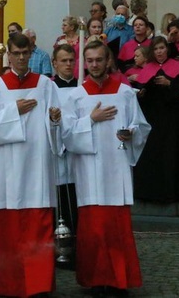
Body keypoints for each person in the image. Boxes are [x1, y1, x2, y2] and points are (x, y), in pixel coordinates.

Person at [0, 33, 61, 297]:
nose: (21, 58)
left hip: (38, 167)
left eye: (26, 53)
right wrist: (14, 112)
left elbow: (58, 124)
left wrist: (56, 121)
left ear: (32, 52)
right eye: (16, 53)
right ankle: (8, 283)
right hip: (8, 170)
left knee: (38, 227)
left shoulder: (46, 85)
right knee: (9, 229)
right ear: (8, 54)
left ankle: (38, 283)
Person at [61, 40, 150, 294]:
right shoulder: (77, 96)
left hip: (117, 168)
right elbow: (66, 135)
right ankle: (96, 279)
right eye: (89, 61)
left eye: (99, 60)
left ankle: (119, 279)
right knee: (94, 229)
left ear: (108, 60)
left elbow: (141, 125)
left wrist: (130, 134)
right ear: (84, 63)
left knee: (116, 228)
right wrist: (90, 119)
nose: (94, 65)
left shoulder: (124, 92)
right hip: (89, 171)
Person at [132, 36, 179, 203]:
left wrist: (169, 83)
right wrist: (141, 93)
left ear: (167, 49)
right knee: (151, 153)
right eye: (156, 49)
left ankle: (169, 193)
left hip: (170, 117)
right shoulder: (148, 67)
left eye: (162, 48)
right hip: (152, 117)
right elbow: (142, 91)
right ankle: (149, 193)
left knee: (169, 153)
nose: (159, 52)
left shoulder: (177, 66)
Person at [50, 44, 79, 265]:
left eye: (72, 60)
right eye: (64, 60)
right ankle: (60, 249)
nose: (68, 64)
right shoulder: (48, 90)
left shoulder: (83, 88)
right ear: (55, 63)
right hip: (57, 155)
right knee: (60, 202)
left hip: (79, 155)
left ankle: (79, 248)